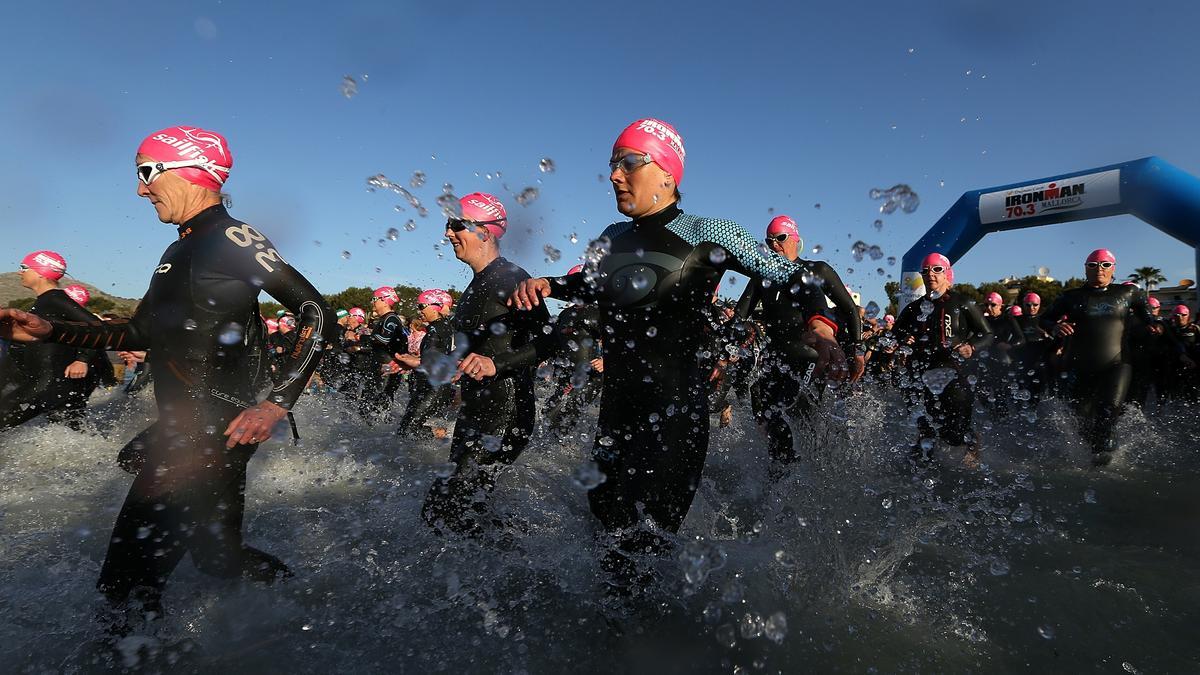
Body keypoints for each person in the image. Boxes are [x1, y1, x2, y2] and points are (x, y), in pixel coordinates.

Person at [0, 125, 337, 620]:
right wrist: (49, 330)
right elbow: (136, 334)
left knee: (123, 588)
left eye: (145, 174)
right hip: (202, 430)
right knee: (217, 559)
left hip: (204, 433)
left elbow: (316, 311)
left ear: (185, 170)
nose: (140, 189)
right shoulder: (181, 247)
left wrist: (276, 402)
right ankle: (319, 608)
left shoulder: (230, 236)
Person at [510, 119, 852, 586]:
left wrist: (821, 324)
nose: (615, 174)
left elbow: (795, 276)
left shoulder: (708, 231)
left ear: (668, 173)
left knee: (644, 551)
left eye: (630, 162)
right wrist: (551, 283)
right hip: (617, 412)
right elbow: (590, 283)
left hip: (675, 417)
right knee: (602, 527)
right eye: (613, 164)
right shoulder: (612, 236)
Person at [421, 193, 553, 536]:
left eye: (456, 225)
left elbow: (552, 340)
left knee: (445, 510)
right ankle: (521, 555)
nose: (448, 233)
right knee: (462, 511)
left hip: (506, 412)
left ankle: (524, 563)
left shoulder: (510, 278)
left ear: (485, 231)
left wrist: (498, 363)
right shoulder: (476, 284)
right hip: (478, 411)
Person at [734, 215, 862, 478]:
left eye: (780, 238)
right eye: (769, 240)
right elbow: (740, 315)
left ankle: (818, 469)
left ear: (795, 239)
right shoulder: (762, 276)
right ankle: (781, 466)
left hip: (808, 356)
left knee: (798, 411)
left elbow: (849, 309)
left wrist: (857, 350)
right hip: (775, 355)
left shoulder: (816, 271)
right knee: (761, 402)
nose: (774, 245)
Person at [1039, 249, 1158, 464]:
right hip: (1078, 365)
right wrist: (1056, 327)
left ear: (1113, 268)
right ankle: (1097, 453)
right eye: (1093, 265)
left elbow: (1147, 315)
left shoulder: (1128, 293)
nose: (1099, 269)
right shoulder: (1071, 297)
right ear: (1085, 268)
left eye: (1104, 265)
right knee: (1082, 420)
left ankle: (1104, 460)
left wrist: (1152, 325)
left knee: (1108, 411)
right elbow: (1044, 319)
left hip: (1117, 363)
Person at [892, 253, 992, 467]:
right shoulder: (914, 308)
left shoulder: (962, 303)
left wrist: (971, 346)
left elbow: (988, 334)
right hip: (923, 374)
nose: (931, 275)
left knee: (953, 434)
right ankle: (920, 472)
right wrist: (903, 339)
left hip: (955, 372)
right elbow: (894, 334)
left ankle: (972, 442)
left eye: (937, 269)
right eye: (926, 271)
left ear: (947, 274)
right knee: (926, 429)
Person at [0, 251, 100, 429]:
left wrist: (82, 359)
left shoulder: (55, 298)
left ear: (41, 271)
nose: (19, 272)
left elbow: (98, 326)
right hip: (52, 383)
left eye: (24, 267)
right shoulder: (45, 301)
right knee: (72, 439)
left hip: (49, 384)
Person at [541, 264, 605, 436]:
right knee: (547, 413)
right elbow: (555, 342)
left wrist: (605, 361)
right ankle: (561, 452)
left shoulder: (598, 313)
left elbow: (617, 340)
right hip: (565, 375)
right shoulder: (565, 314)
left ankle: (564, 454)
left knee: (563, 417)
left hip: (589, 377)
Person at [395, 289, 457, 439]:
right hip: (428, 385)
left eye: (422, 306)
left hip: (435, 389)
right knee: (405, 429)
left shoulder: (439, 328)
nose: (419, 311)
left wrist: (414, 361)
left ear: (436, 306)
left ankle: (445, 435)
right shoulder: (438, 327)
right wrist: (410, 363)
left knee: (408, 431)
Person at [1164, 304, 1199, 402]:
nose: (1180, 318)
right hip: (1175, 367)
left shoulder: (1195, 329)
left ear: (1188, 315)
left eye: (1183, 315)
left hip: (1192, 367)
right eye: (1177, 315)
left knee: (1194, 397)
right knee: (1176, 397)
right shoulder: (1169, 330)